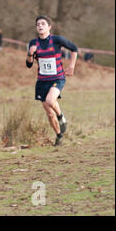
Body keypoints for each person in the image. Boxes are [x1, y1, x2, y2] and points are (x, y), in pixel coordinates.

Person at [26, 15, 78, 146]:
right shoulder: (33, 43)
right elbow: (29, 64)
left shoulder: (57, 40)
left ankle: (61, 117)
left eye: (43, 23)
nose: (40, 26)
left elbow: (74, 49)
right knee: (49, 113)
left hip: (57, 78)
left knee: (50, 100)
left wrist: (71, 66)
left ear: (49, 27)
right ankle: (59, 136)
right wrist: (30, 54)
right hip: (42, 81)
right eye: (38, 24)